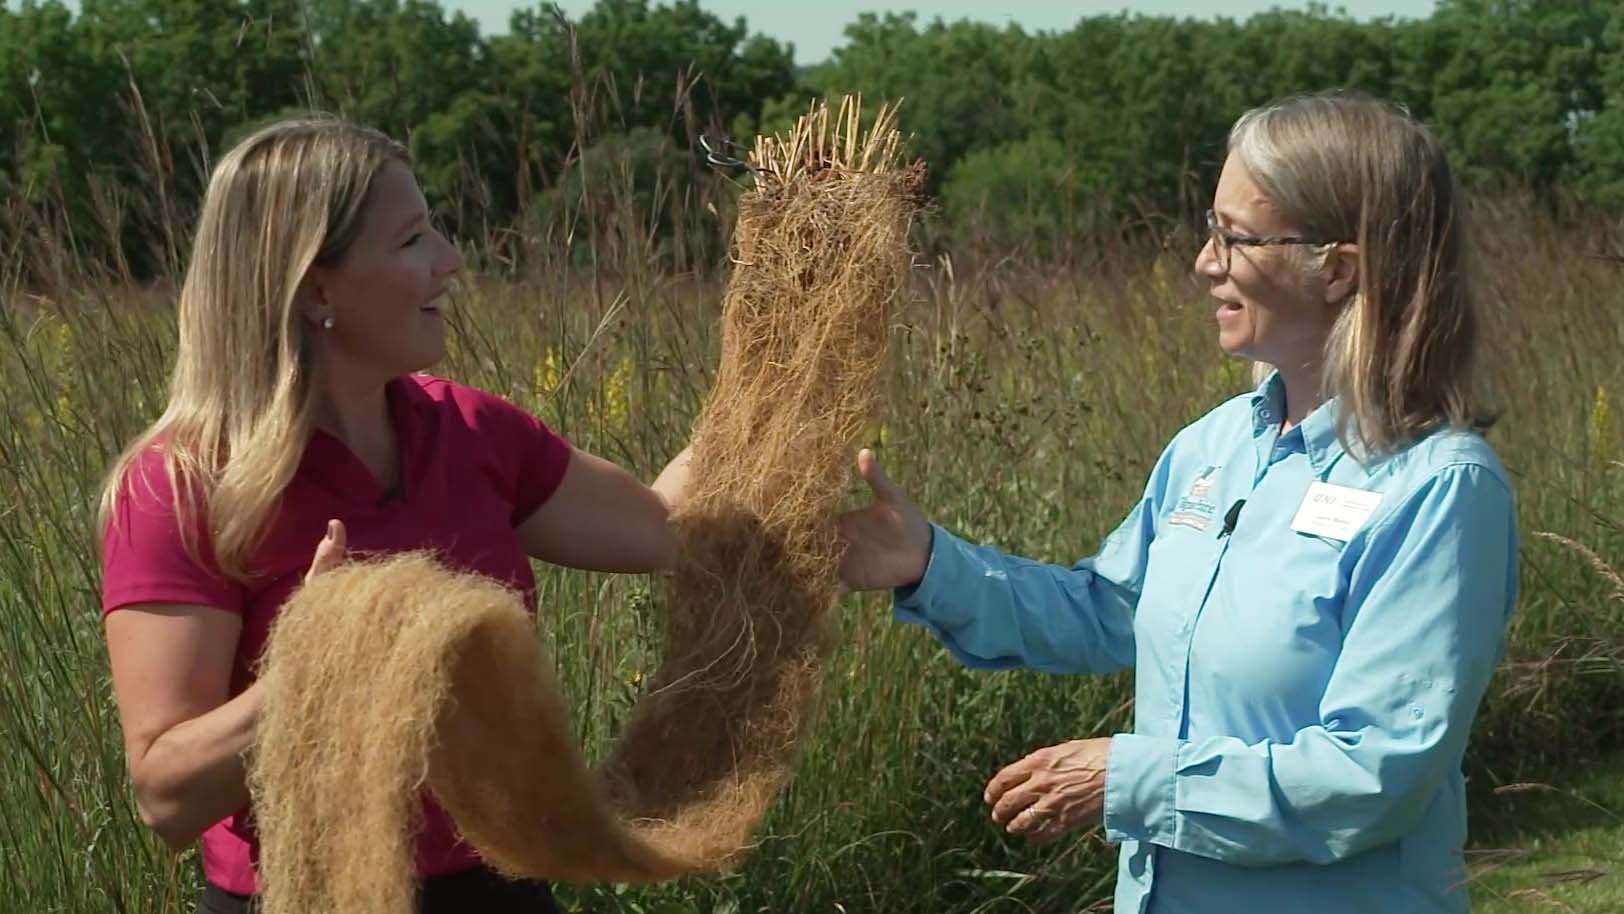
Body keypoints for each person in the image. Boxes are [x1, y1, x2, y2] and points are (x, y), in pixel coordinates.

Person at [837, 90, 1518, 914]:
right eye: (1210, 227)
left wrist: (1130, 777)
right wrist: (927, 562)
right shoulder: (1216, 445)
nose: (1204, 262)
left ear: (1339, 268)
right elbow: (1110, 608)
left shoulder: (1439, 489)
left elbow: (1371, 775)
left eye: (1235, 237)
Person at [97, 116, 693, 914]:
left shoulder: (472, 432)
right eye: (413, 240)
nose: (452, 260)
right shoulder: (183, 486)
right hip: (304, 896)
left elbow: (669, 528)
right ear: (316, 289)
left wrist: (789, 332)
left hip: (497, 887)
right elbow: (165, 797)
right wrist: (316, 659)